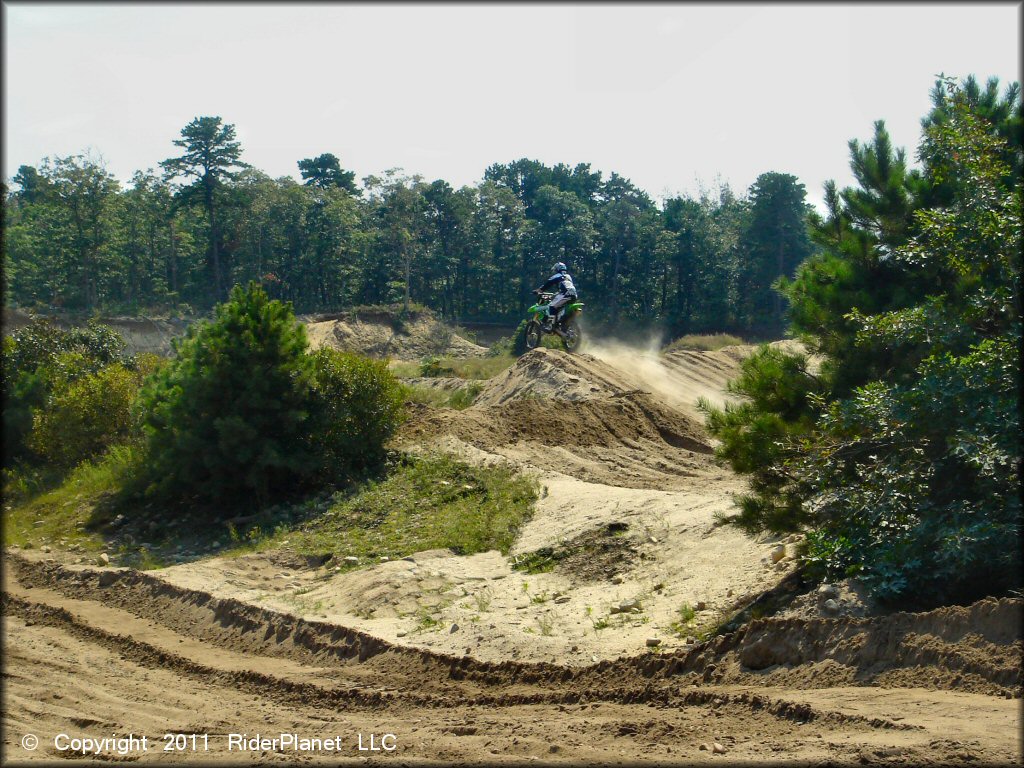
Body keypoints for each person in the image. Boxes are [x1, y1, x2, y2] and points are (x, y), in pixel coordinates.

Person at [534, 261, 578, 331]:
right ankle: (559, 323)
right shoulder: (568, 276)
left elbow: (548, 284)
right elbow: (566, 287)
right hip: (574, 295)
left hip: (565, 294)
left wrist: (539, 290)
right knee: (558, 307)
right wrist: (554, 295)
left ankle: (550, 325)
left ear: (557, 269)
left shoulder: (557, 275)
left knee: (551, 306)